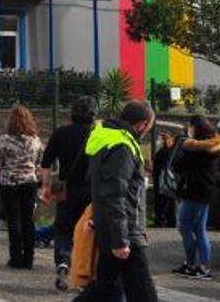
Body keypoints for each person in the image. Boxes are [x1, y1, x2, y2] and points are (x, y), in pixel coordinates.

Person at [73, 101, 158, 302]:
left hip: (110, 227)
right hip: (126, 231)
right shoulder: (123, 146)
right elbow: (115, 193)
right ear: (143, 124)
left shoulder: (106, 139)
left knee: (106, 288)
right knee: (143, 293)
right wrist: (121, 239)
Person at [39, 96, 97, 291]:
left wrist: (46, 187)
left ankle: (63, 261)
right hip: (92, 191)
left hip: (67, 191)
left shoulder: (61, 133)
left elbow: (46, 162)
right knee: (88, 231)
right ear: (93, 114)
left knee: (63, 229)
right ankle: (84, 274)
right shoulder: (98, 134)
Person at [0, 105, 44, 269]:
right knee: (28, 221)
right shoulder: (35, 140)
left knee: (13, 221)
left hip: (9, 183)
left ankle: (15, 258)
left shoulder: (5, 140)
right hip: (29, 182)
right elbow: (38, 161)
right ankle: (29, 258)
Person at [173, 115, 220, 281]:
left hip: (194, 191)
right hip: (206, 191)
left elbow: (178, 165)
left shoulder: (195, 149)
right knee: (200, 229)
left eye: (190, 126)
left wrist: (183, 147)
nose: (189, 129)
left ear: (195, 128)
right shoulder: (213, 147)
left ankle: (192, 264)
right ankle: (203, 266)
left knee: (185, 227)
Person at [152, 132, 177, 228]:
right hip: (169, 180)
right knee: (170, 201)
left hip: (161, 179)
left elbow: (158, 167)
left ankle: (160, 221)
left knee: (161, 202)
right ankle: (171, 221)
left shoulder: (162, 153)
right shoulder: (171, 152)